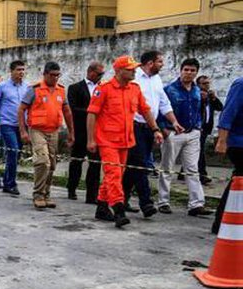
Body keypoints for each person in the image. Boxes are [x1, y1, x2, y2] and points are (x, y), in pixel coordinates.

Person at [87, 56, 164, 228]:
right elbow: (92, 114)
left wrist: (156, 129)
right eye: (130, 69)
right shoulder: (104, 89)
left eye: (134, 68)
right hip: (107, 141)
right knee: (114, 175)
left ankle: (101, 206)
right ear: (119, 71)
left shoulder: (134, 89)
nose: (134, 71)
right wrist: (91, 139)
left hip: (126, 141)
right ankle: (119, 209)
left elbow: (145, 111)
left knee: (115, 175)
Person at [123, 50, 183, 217]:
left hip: (150, 127)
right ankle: (146, 202)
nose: (162, 65)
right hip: (134, 126)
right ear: (150, 63)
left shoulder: (156, 80)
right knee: (141, 164)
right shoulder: (133, 78)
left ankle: (121, 199)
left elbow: (163, 102)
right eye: (160, 62)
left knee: (133, 167)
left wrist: (174, 121)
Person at [160, 58, 212, 216]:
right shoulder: (169, 89)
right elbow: (160, 109)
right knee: (167, 168)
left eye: (192, 71)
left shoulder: (197, 91)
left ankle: (196, 204)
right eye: (186, 70)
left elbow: (199, 110)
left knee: (192, 169)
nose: (189, 73)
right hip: (173, 133)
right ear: (181, 70)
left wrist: (198, 127)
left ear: (196, 73)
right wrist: (164, 130)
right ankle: (163, 201)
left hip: (193, 133)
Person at [18, 62, 74, 209]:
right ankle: (38, 194)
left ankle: (46, 193)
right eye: (52, 75)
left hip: (54, 130)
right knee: (43, 161)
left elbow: (67, 112)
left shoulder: (61, 90)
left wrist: (71, 132)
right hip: (37, 130)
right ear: (45, 74)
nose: (55, 78)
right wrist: (23, 131)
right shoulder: (34, 90)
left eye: (58, 75)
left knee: (52, 164)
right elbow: (21, 109)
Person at [66, 61, 104, 203]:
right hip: (80, 130)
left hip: (96, 131)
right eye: (99, 74)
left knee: (95, 164)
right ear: (91, 72)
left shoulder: (103, 87)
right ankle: (71, 188)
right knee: (76, 161)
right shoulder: (75, 88)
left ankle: (91, 194)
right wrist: (92, 112)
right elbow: (73, 108)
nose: (101, 77)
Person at [0, 60, 28, 196]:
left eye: (23, 69)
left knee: (15, 155)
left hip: (22, 125)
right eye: (18, 70)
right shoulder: (2, 87)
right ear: (11, 71)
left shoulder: (27, 87)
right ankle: (11, 183)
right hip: (7, 124)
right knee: (13, 151)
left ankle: (7, 182)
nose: (21, 72)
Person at [212, 76, 242, 234]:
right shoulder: (240, 84)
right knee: (239, 179)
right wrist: (222, 141)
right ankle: (221, 221)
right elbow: (228, 113)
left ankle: (225, 220)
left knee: (238, 181)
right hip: (238, 142)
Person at [197, 75, 224, 185]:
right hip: (198, 128)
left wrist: (213, 98)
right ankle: (202, 175)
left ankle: (183, 173)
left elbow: (220, 107)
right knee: (200, 152)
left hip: (206, 128)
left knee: (196, 151)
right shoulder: (195, 95)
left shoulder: (209, 96)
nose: (206, 86)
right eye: (204, 83)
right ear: (198, 85)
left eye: (208, 83)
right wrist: (201, 99)